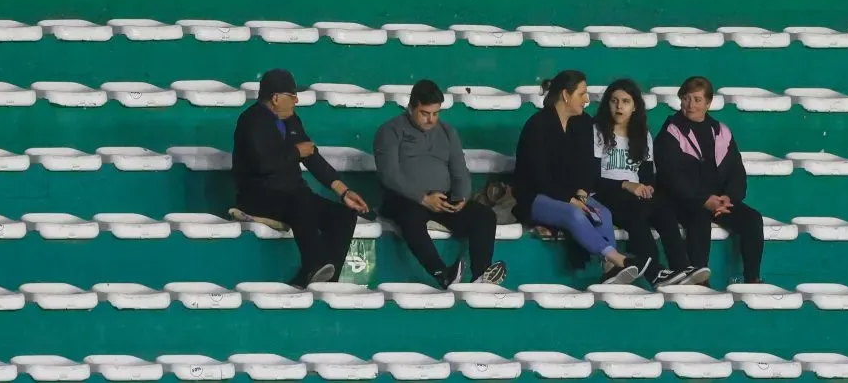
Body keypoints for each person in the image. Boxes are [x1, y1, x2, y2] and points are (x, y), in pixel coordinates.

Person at [230, 68, 371, 289]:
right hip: (259, 195)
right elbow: (262, 164)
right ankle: (314, 265)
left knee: (343, 215)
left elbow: (311, 155)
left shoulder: (291, 120)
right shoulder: (250, 121)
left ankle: (326, 280)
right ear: (276, 98)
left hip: (292, 195)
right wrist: (296, 152)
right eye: (292, 96)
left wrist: (343, 191)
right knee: (301, 199)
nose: (296, 100)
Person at [512, 70, 651, 285]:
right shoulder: (537, 125)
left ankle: (609, 270)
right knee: (573, 214)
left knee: (602, 213)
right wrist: (570, 200)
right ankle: (617, 259)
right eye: (582, 94)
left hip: (572, 194)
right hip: (535, 197)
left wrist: (582, 194)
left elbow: (587, 168)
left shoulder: (583, 123)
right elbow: (538, 176)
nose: (587, 100)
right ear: (566, 96)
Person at [373, 80, 507, 288]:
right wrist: (423, 198)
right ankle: (442, 273)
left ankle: (481, 276)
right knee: (411, 218)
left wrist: (462, 196)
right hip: (404, 199)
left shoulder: (447, 132)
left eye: (435, 114)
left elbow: (459, 170)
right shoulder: (390, 131)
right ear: (411, 108)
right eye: (425, 113)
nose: (431, 119)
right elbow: (389, 175)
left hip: (441, 198)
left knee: (484, 216)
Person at [591, 79, 711, 288]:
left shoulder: (642, 134)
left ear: (634, 106)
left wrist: (647, 188)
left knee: (664, 210)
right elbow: (591, 177)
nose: (619, 106)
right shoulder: (596, 132)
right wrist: (627, 185)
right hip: (607, 193)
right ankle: (655, 273)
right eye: (614, 101)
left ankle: (681, 268)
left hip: (635, 193)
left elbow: (647, 176)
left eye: (625, 101)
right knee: (636, 215)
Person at [654, 76, 765, 284]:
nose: (691, 105)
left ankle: (753, 278)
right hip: (683, 201)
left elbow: (736, 171)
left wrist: (729, 198)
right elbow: (671, 176)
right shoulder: (671, 131)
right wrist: (703, 199)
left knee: (752, 219)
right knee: (700, 216)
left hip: (719, 201)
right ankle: (698, 278)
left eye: (697, 100)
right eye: (686, 99)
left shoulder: (721, 132)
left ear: (708, 103)